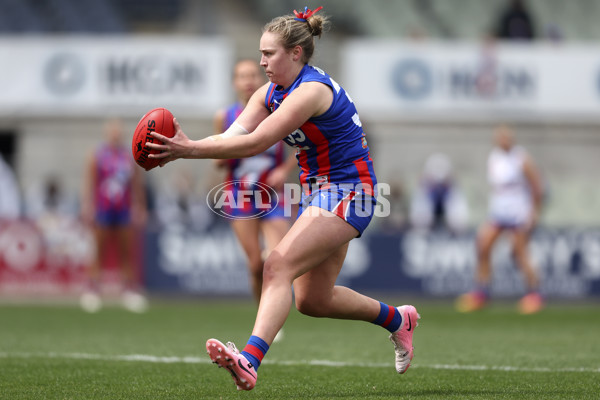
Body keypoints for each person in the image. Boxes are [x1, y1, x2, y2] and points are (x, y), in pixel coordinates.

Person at [146, 6, 420, 391]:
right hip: (323, 192)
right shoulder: (269, 92)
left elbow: (256, 142)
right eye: (260, 53)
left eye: (269, 53)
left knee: (276, 266)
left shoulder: (310, 92)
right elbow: (230, 137)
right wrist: (185, 145)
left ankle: (249, 360)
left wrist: (187, 149)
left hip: (351, 191)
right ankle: (398, 319)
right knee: (313, 300)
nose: (262, 62)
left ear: (295, 53)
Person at [213, 59, 296, 341]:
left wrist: (283, 171)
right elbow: (217, 159)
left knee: (278, 257)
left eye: (253, 75)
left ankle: (273, 321)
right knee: (254, 265)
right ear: (234, 82)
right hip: (240, 196)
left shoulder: (277, 111)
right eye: (242, 76)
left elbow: (299, 147)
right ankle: (262, 314)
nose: (248, 80)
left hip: (272, 196)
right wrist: (237, 150)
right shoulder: (225, 116)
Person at [456, 124, 544, 314]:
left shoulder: (521, 158)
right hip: (499, 211)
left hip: (518, 211)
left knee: (519, 252)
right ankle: (482, 292)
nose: (503, 141)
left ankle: (533, 294)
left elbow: (537, 186)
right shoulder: (494, 157)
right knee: (483, 245)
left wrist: (534, 212)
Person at [80, 118, 148, 313]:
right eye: (112, 131)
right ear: (107, 133)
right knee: (99, 249)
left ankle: (129, 289)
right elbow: (90, 181)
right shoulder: (97, 155)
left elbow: (136, 184)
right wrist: (88, 205)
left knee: (126, 250)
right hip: (103, 207)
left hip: (124, 208)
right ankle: (93, 288)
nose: (115, 134)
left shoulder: (128, 156)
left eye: (118, 131)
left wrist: (140, 205)